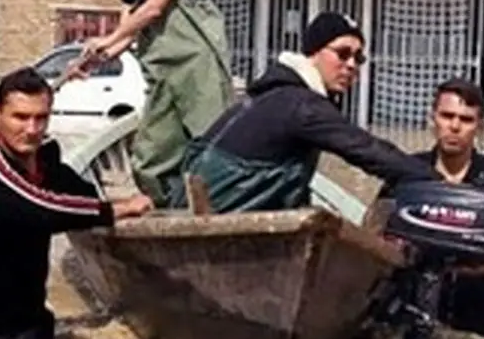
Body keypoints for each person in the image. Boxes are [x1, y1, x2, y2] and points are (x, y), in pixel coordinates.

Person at [0, 67, 152, 339]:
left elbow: (81, 194)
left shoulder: (46, 163)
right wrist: (114, 209)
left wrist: (127, 203)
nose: (32, 130)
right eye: (20, 117)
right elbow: (36, 208)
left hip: (26, 327)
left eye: (41, 118)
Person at [175, 11, 436, 213]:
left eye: (359, 58)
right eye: (343, 54)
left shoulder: (273, 93)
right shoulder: (301, 105)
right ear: (314, 52)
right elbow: (365, 149)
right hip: (221, 221)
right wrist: (434, 182)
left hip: (197, 210)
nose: (351, 65)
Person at [74, 0, 234, 208]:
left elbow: (153, 9)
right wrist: (95, 58)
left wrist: (108, 39)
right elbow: (126, 35)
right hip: (163, 76)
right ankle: (167, 208)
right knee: (149, 155)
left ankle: (222, 206)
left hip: (197, 69)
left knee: (213, 141)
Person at [378, 78, 484, 339]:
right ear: (432, 117)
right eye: (447, 116)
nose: (454, 127)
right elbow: (379, 236)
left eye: (466, 120)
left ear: (478, 126)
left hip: (474, 321)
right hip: (407, 317)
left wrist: (436, 262)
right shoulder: (406, 172)